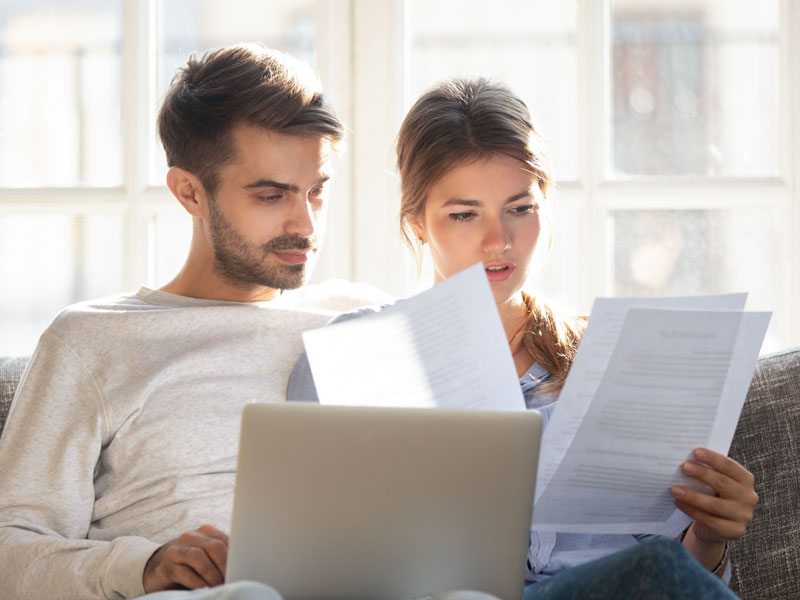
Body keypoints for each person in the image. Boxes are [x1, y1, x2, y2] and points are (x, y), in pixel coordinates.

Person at [288, 78, 758, 599]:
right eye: (464, 214)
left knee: (657, 565)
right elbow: (311, 555)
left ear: (545, 205)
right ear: (417, 222)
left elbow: (676, 578)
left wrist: (709, 537)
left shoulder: (613, 359)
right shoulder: (352, 358)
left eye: (520, 208)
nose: (498, 240)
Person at [0, 43, 389, 600]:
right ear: (189, 192)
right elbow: (10, 552)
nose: (305, 224)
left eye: (317, 191)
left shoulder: (365, 318)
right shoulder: (92, 340)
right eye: (271, 195)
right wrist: (146, 565)